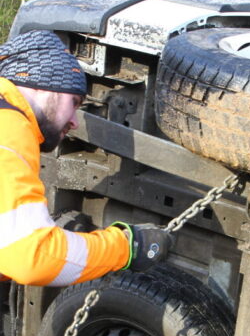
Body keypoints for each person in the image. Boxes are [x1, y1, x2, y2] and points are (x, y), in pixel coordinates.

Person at [0, 30, 172, 286]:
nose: (74, 121)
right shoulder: (9, 128)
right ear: (40, 84)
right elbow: (32, 256)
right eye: (73, 101)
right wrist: (126, 248)